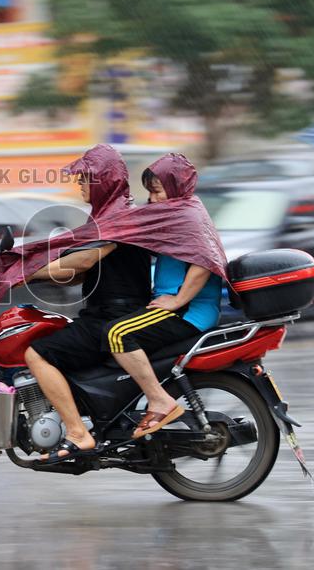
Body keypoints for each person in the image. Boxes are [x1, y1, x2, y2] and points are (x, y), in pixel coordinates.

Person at [22, 145, 152, 461]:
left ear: (103, 181)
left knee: (36, 353)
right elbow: (83, 272)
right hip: (104, 312)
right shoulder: (109, 213)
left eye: (85, 178)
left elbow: (83, 262)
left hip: (114, 316)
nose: (79, 184)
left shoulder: (118, 217)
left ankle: (78, 433)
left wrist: (26, 273)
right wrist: (39, 272)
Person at [100, 156, 224, 439]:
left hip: (190, 310)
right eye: (150, 192)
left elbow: (204, 262)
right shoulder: (178, 212)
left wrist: (178, 300)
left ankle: (159, 400)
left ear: (176, 187)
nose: (153, 199)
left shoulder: (186, 216)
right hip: (175, 304)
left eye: (158, 190)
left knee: (117, 334)